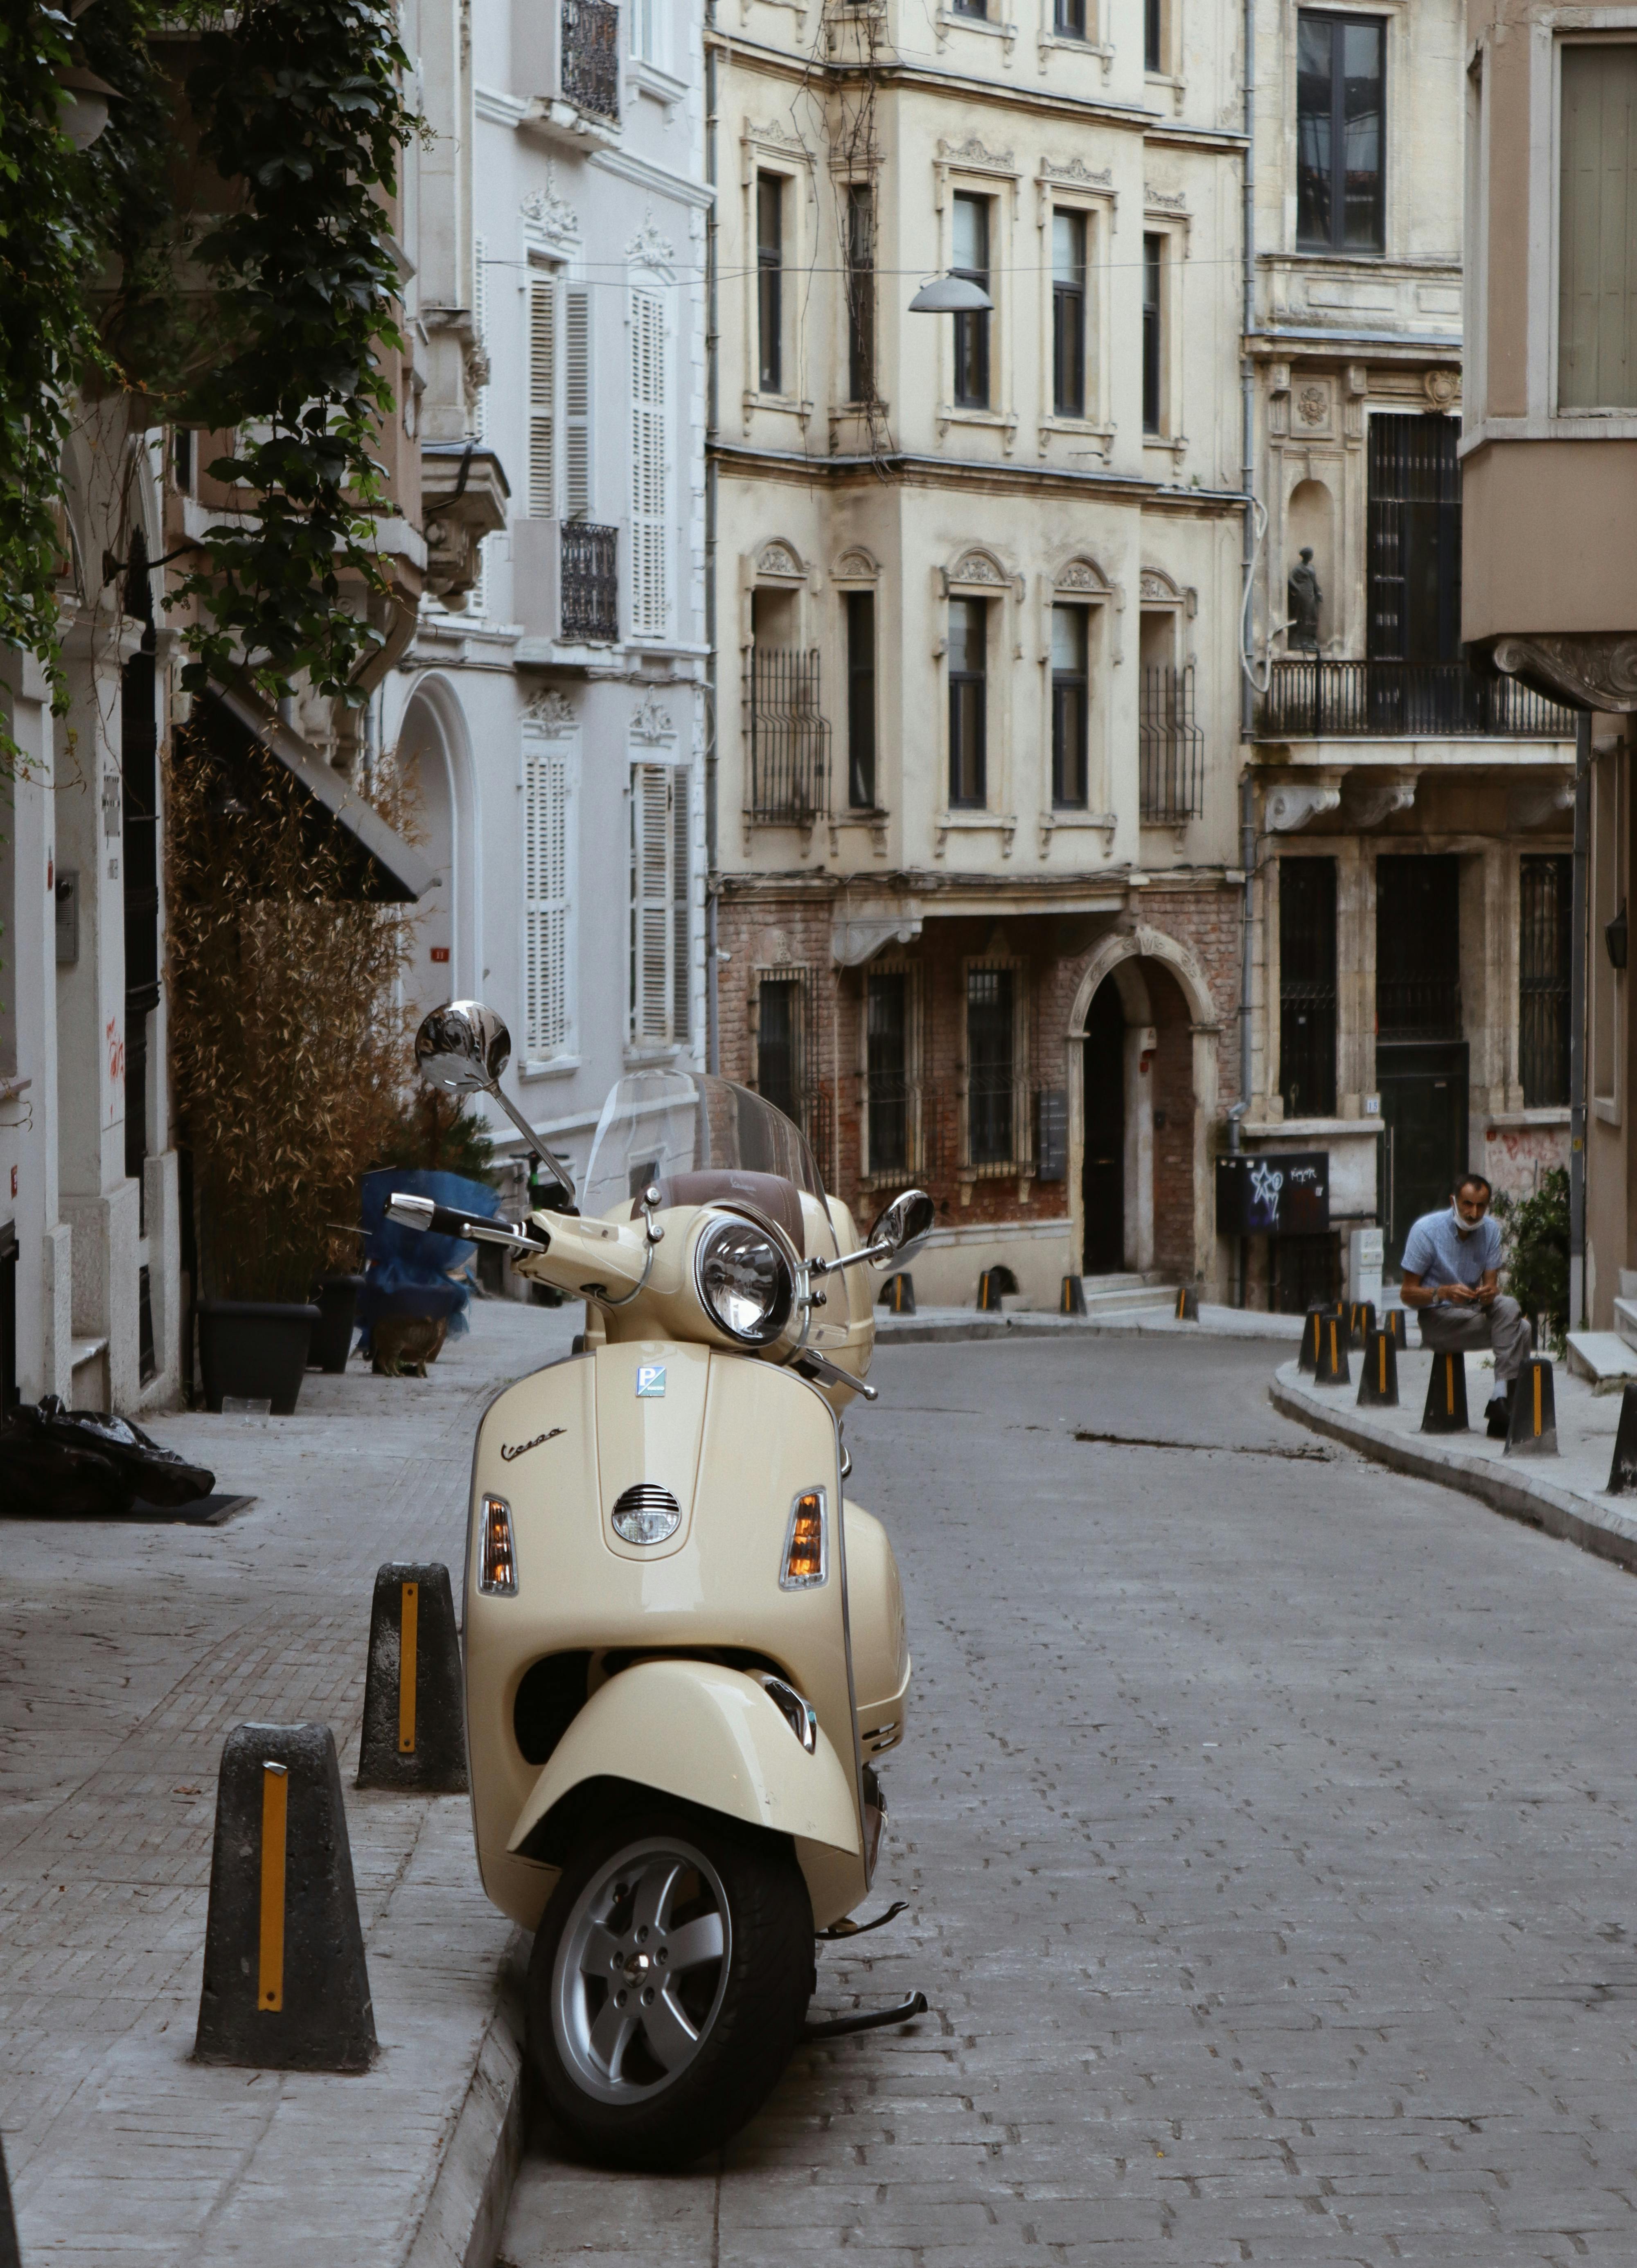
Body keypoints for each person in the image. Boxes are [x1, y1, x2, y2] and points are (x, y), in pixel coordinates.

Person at [1399, 1174, 1532, 1437]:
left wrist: (1488, 1293)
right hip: (1439, 1321)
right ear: (1454, 1202)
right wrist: (1442, 1292)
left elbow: (1492, 1289)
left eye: (1481, 1206)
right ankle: (1502, 1406)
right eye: (1467, 1204)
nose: (1473, 1213)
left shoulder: (1491, 1230)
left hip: (1473, 1313)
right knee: (1522, 1330)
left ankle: (1500, 1400)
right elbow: (1407, 1294)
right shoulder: (1426, 1231)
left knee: (1514, 1312)